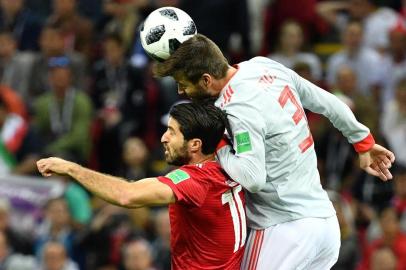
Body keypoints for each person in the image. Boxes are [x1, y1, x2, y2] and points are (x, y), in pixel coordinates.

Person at [152, 33, 395, 269]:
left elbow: (252, 178)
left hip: (284, 230)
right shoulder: (263, 66)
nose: (181, 92)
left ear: (206, 80)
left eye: (183, 84)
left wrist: (219, 144)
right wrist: (362, 141)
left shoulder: (237, 107)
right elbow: (326, 102)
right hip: (324, 225)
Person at [37, 102, 246, 270]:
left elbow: (126, 195)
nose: (164, 138)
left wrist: (71, 169)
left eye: (172, 132)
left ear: (195, 144)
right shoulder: (227, 154)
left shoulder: (195, 181)